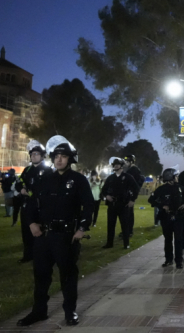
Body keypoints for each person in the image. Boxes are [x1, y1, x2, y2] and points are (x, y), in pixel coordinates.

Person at [16, 135, 94, 327]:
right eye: (56, 155)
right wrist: (32, 223)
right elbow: (33, 204)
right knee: (41, 275)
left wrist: (82, 228)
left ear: (70, 159)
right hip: (43, 236)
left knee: (67, 276)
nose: (59, 159)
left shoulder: (78, 180)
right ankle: (39, 311)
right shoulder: (44, 180)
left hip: (66, 237)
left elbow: (88, 205)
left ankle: (70, 312)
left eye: (64, 156)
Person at [15, 140, 53, 263]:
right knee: (25, 231)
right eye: (32, 154)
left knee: (38, 231)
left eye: (36, 154)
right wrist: (21, 189)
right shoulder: (27, 170)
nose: (34, 156)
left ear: (42, 156)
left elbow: (46, 188)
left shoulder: (47, 171)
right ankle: (27, 255)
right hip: (26, 205)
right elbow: (19, 182)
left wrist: (31, 191)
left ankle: (40, 255)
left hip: (39, 205)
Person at [149, 167, 184, 268]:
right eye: (176, 176)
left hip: (179, 217)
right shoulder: (161, 189)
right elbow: (151, 200)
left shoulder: (180, 188)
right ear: (170, 177)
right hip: (166, 217)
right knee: (168, 239)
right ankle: (168, 259)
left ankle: (179, 261)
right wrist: (162, 205)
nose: (177, 178)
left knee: (178, 239)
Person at [101, 157, 139, 249]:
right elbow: (103, 190)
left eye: (117, 164)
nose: (115, 166)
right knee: (110, 225)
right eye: (114, 165)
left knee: (125, 225)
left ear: (121, 166)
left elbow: (136, 188)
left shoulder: (128, 177)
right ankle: (109, 243)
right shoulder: (110, 178)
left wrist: (132, 200)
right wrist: (107, 196)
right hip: (112, 205)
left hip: (123, 205)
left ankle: (126, 244)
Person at [123, 154, 144, 238]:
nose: (125, 163)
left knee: (128, 214)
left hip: (130, 194)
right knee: (128, 213)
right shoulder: (134, 170)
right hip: (130, 193)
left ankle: (129, 231)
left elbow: (134, 185)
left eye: (127, 161)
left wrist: (133, 197)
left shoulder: (133, 170)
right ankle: (127, 230)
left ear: (131, 162)